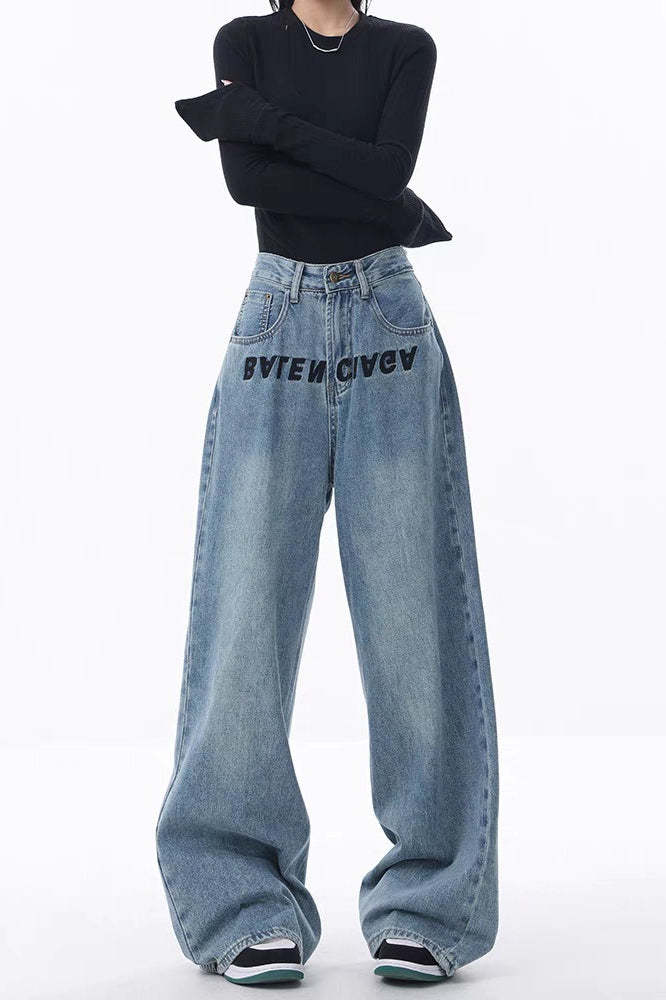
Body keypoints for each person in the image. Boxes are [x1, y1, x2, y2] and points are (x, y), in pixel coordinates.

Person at [156, 0, 499, 985]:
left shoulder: (405, 49)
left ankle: (431, 903)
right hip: (277, 317)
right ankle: (239, 901)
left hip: (391, 319)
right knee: (242, 616)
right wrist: (374, 191)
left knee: (417, 618)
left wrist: (262, 122)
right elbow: (250, 186)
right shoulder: (244, 41)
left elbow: (382, 177)